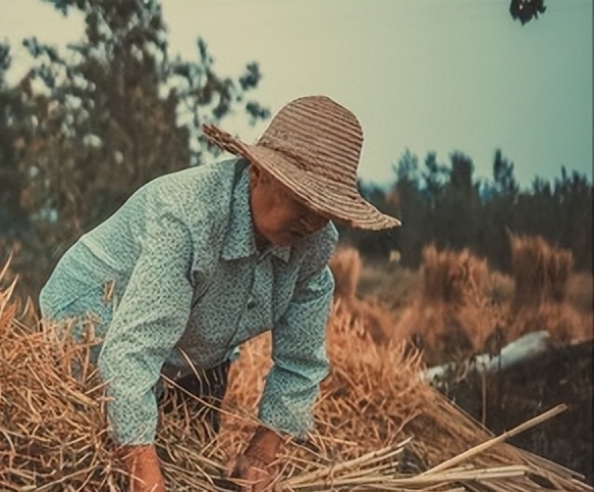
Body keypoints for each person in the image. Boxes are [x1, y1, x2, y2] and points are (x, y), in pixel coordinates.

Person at [39, 96, 400, 491]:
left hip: (197, 344)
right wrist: (143, 473)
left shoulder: (314, 245)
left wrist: (261, 455)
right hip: (95, 321)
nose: (312, 220)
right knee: (97, 464)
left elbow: (301, 360)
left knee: (191, 466)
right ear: (258, 173)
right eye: (303, 200)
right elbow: (130, 353)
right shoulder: (189, 218)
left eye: (325, 209)